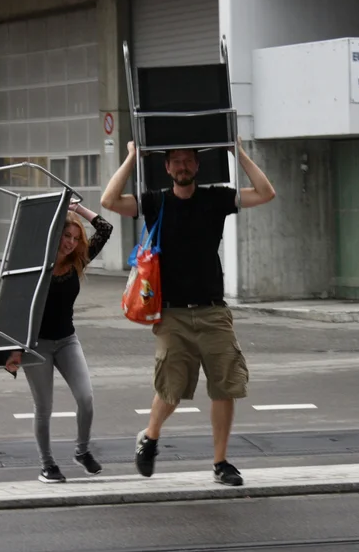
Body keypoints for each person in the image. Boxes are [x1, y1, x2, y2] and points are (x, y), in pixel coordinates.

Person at [100, 138, 275, 486]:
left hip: (213, 312)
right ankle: (149, 437)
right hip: (171, 315)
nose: (182, 166)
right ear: (167, 168)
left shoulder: (215, 198)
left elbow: (265, 192)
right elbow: (108, 201)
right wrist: (132, 157)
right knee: (171, 389)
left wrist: (236, 151)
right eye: (175, 161)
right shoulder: (155, 202)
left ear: (197, 166)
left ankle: (220, 462)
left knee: (224, 386)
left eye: (188, 161)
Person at [4, 202, 113, 484]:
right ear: (56, 235)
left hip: (67, 340)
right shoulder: (35, 265)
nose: (72, 243)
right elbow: (15, 307)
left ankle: (82, 450)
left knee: (86, 399)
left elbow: (105, 227)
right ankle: (47, 465)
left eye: (76, 239)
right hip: (36, 345)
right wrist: (13, 350)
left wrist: (78, 208)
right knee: (44, 407)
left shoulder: (78, 260)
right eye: (67, 237)